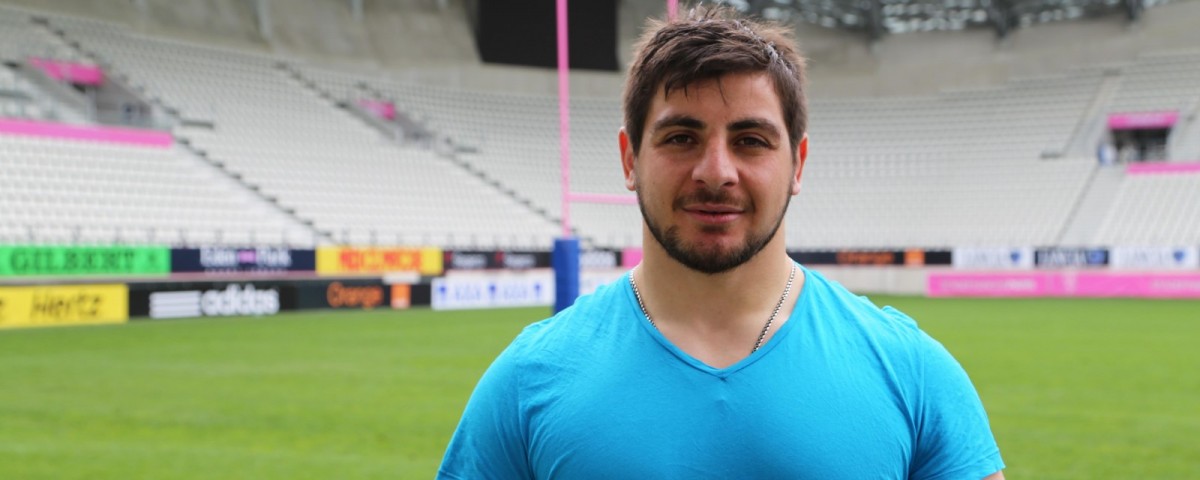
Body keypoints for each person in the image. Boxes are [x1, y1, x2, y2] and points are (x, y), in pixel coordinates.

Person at [438, 6, 1005, 479]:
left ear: (798, 163)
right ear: (630, 159)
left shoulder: (911, 373)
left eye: (751, 140)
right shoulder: (529, 380)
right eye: (681, 137)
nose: (716, 172)